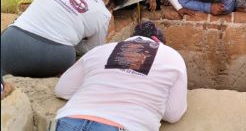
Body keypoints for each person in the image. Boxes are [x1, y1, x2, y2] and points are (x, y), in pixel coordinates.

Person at [54, 22, 187, 131]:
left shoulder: (100, 49)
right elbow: (173, 114)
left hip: (70, 120)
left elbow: (62, 90)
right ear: (160, 42)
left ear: (131, 38)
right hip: (127, 125)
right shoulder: (172, 56)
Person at [1, 0, 125, 78]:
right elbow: (92, 50)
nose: (110, 12)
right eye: (112, 8)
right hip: (55, 57)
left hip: (12, 40)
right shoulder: (103, 13)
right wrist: (75, 40)